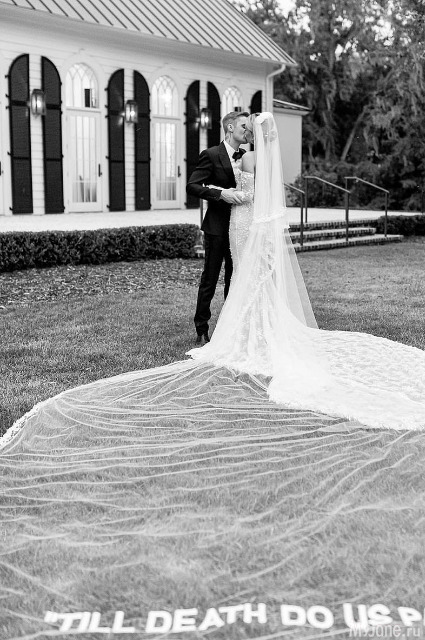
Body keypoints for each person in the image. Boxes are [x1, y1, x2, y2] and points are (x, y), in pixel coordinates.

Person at [186, 110, 250, 345]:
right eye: (244, 126)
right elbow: (192, 186)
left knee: (234, 279)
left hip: (239, 226)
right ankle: (201, 329)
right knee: (210, 279)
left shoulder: (248, 157)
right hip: (216, 226)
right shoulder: (211, 154)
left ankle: (229, 328)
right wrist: (220, 194)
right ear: (230, 127)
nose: (247, 130)